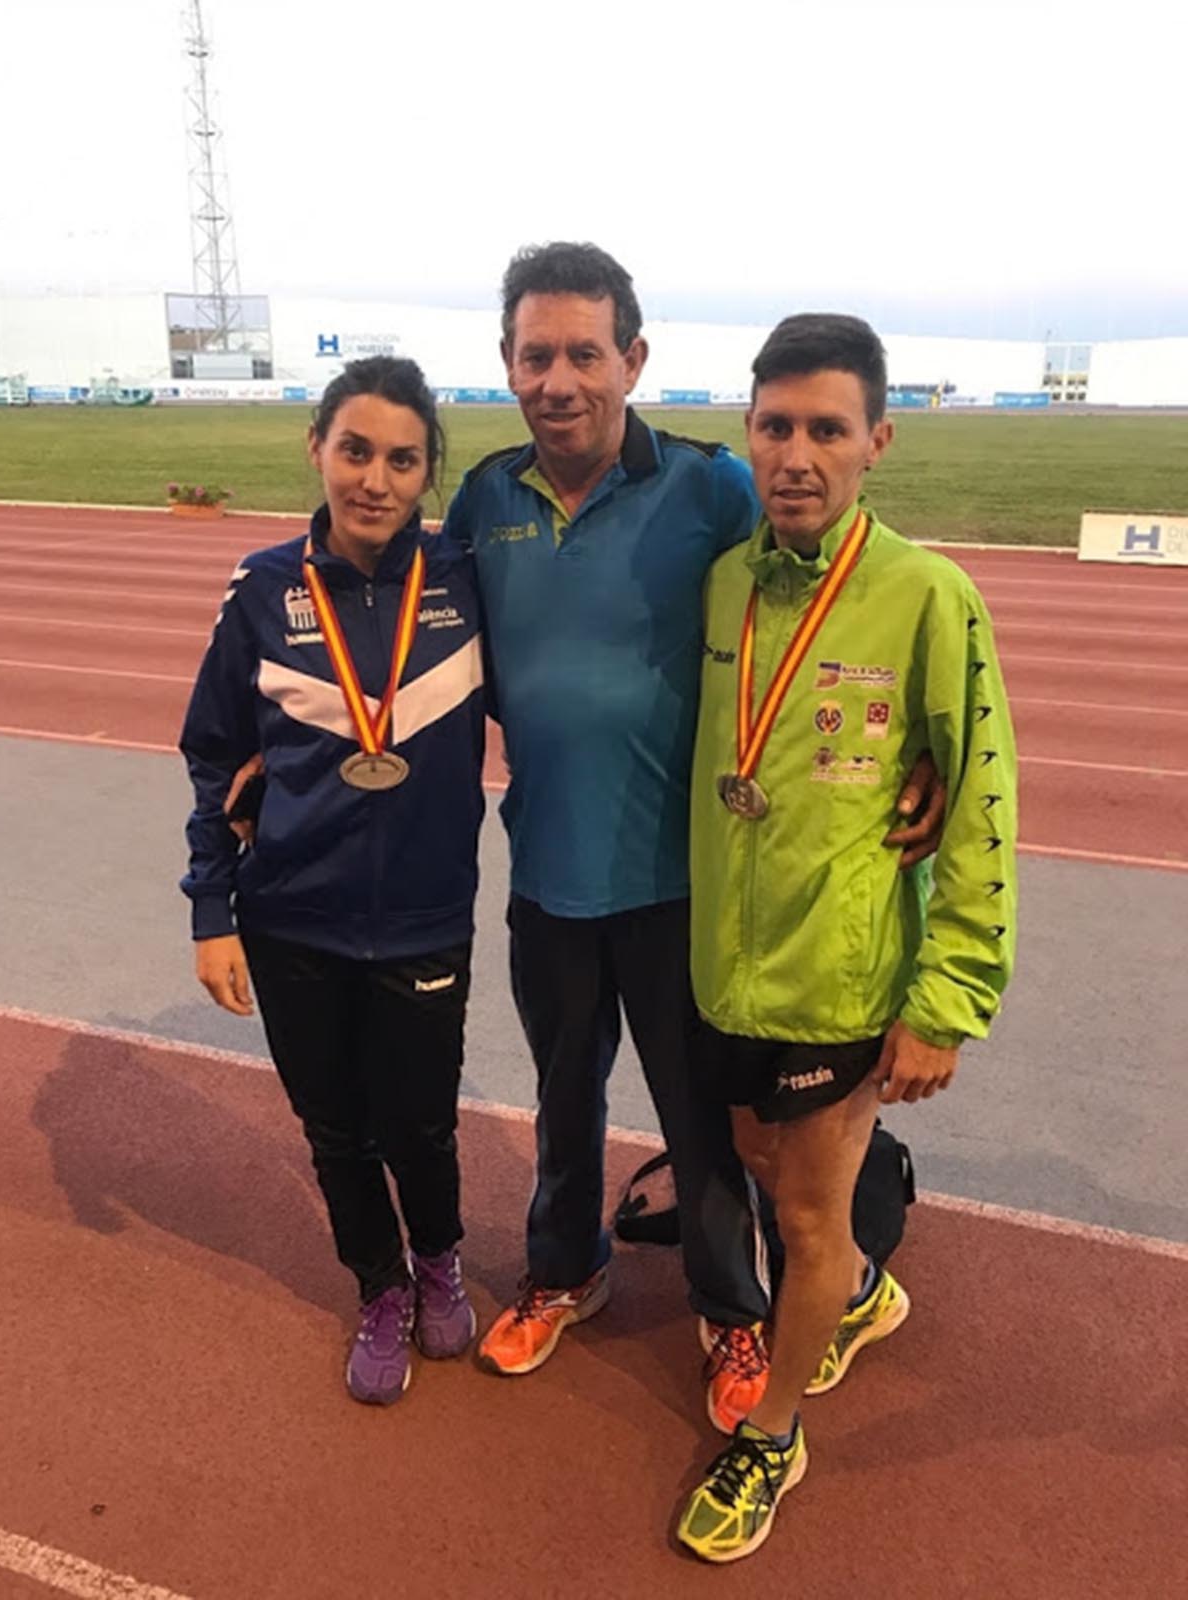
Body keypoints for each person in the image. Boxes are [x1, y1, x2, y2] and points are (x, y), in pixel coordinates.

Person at [446, 243, 945, 1430]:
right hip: (549, 876)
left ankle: (732, 1310)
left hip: (684, 887)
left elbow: (832, 589)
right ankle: (567, 1269)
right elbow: (412, 643)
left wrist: (905, 745)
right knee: (563, 1105)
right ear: (507, 364)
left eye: (583, 352)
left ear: (634, 357)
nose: (558, 378)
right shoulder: (484, 502)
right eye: (535, 354)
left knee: (699, 1125)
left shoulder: (711, 487)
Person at [675, 314, 1018, 1562]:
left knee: (808, 1220)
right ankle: (866, 1290)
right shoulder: (724, 581)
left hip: (842, 976)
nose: (798, 454)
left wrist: (948, 996)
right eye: (776, 427)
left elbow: (978, 800)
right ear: (748, 437)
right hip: (725, 966)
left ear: (877, 438)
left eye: (828, 429)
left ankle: (772, 1436)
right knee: (758, 1156)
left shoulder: (930, 595)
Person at [179, 356, 486, 1406]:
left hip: (425, 919)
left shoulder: (465, 581)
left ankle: (440, 1252)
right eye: (355, 450)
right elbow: (214, 757)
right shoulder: (263, 590)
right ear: (318, 448)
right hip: (290, 921)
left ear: (425, 474)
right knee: (335, 1128)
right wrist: (213, 909)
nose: (376, 479)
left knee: (422, 1121)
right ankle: (380, 1283)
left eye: (404, 459)